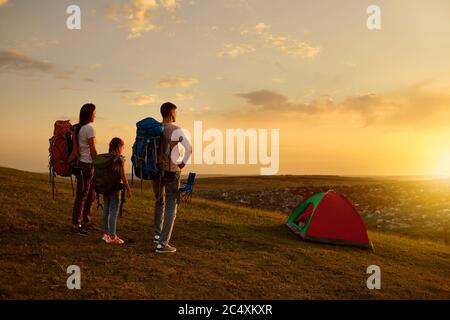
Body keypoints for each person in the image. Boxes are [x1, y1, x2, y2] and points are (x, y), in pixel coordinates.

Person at [153, 102, 191, 253]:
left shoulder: (156, 129)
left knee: (158, 201)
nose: (176, 114)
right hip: (171, 170)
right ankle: (163, 244)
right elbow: (189, 148)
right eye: (175, 111)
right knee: (171, 206)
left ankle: (157, 234)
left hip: (156, 170)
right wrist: (182, 164)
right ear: (170, 112)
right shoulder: (175, 129)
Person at [70, 103, 98, 236]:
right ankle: (76, 225)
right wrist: (99, 163)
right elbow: (92, 149)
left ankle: (86, 221)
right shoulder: (89, 128)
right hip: (87, 165)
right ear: (89, 114)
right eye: (94, 112)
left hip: (82, 163)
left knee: (90, 195)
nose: (95, 115)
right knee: (82, 195)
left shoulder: (78, 127)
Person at [102, 138, 131, 245]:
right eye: (123, 147)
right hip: (114, 188)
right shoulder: (119, 159)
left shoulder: (105, 157)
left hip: (105, 187)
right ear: (119, 146)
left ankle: (105, 235)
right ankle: (113, 236)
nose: (123, 149)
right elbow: (123, 176)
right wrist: (128, 189)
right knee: (113, 211)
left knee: (106, 210)